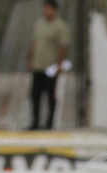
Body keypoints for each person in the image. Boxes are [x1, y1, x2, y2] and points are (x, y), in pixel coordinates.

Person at [26, 0, 69, 130]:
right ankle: (35, 122)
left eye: (48, 8)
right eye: (44, 8)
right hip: (38, 65)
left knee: (50, 95)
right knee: (35, 95)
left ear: (54, 10)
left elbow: (63, 47)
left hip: (51, 67)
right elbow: (34, 42)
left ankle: (50, 123)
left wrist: (59, 64)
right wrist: (30, 59)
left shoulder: (61, 26)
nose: (46, 11)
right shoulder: (40, 24)